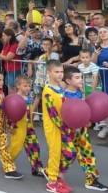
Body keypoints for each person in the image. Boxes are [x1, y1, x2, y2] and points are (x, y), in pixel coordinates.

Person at [60, 65, 108, 191]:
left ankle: (91, 180)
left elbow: (84, 109)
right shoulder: (63, 95)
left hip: (81, 131)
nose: (80, 80)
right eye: (77, 78)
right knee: (69, 154)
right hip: (68, 131)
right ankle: (54, 173)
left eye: (81, 77)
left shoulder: (80, 92)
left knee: (88, 154)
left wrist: (86, 120)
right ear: (68, 81)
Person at [8, 76, 43, 177]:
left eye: (29, 86)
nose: (28, 88)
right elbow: (11, 113)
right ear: (18, 86)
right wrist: (11, 126)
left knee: (35, 147)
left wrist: (32, 123)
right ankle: (7, 164)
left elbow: (31, 112)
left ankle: (37, 168)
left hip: (29, 127)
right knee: (15, 147)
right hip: (18, 127)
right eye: (25, 86)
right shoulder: (15, 99)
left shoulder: (28, 98)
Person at [42, 60, 67, 193]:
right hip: (53, 126)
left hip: (61, 125)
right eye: (56, 72)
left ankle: (50, 171)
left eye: (61, 71)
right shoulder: (48, 91)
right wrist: (64, 126)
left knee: (61, 152)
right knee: (55, 151)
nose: (60, 74)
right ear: (49, 72)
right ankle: (51, 181)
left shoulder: (60, 88)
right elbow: (52, 113)